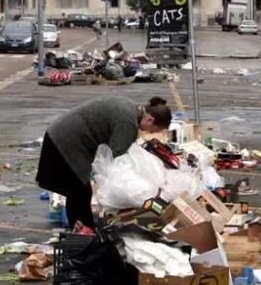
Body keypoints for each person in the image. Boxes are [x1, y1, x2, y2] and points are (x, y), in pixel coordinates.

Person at [36, 96, 173, 230]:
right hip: (66, 141)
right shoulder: (128, 123)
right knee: (79, 192)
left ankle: (82, 230)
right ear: (150, 120)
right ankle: (84, 233)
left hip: (62, 134)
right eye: (153, 130)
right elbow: (114, 159)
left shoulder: (131, 108)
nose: (149, 132)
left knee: (78, 191)